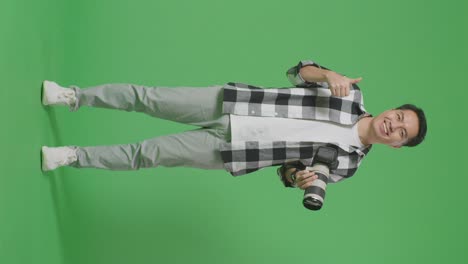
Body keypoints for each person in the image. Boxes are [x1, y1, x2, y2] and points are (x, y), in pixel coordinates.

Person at [40, 59, 427, 189]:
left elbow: (290, 172)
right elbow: (298, 70)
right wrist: (327, 74)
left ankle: (71, 156)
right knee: (149, 97)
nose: (394, 125)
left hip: (235, 150)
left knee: (148, 154)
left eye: (402, 132)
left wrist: (299, 180)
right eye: (399, 116)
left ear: (397, 144)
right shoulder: (350, 95)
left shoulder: (350, 164)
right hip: (231, 102)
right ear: (392, 109)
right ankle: (72, 95)